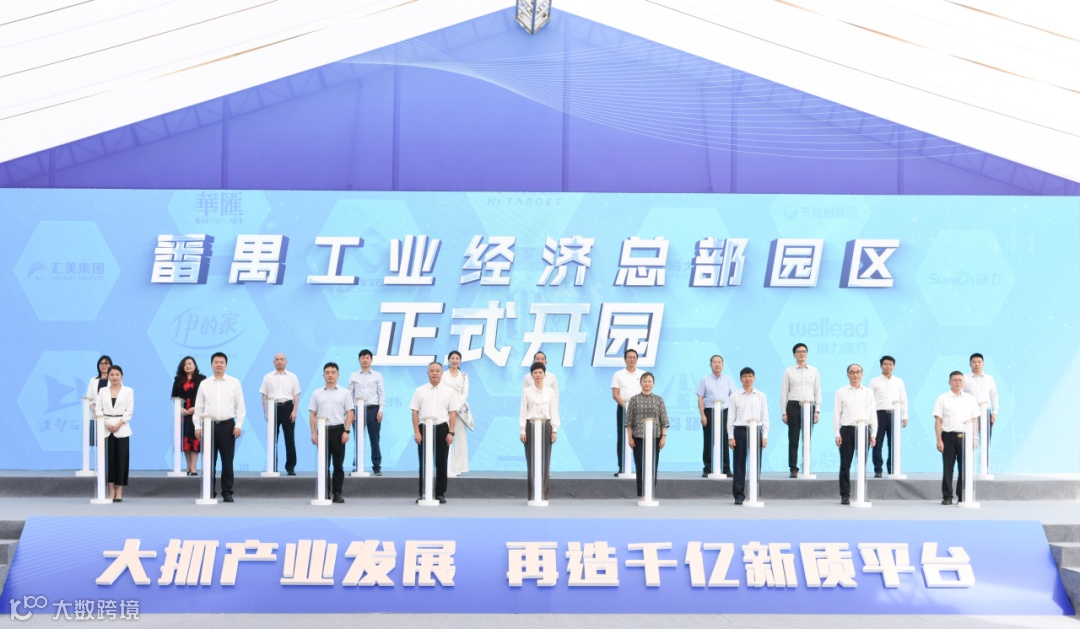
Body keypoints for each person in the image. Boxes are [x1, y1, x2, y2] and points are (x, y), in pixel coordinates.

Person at [194, 352, 245, 503]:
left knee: (227, 461)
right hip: (208, 426)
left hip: (228, 426)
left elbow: (240, 406)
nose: (219, 364)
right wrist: (197, 426)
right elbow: (199, 407)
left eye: (221, 362)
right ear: (211, 365)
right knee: (209, 461)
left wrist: (238, 424)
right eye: (216, 362)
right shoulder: (204, 384)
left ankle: (227, 492)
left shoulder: (234, 382)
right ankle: (209, 491)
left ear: (226, 365)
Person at [409, 362, 458, 504]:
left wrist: (451, 432)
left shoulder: (449, 392)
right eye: (432, 371)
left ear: (442, 373)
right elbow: (415, 412)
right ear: (427, 373)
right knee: (424, 463)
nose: (434, 373)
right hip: (424, 428)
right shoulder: (419, 390)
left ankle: (440, 493)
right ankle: (424, 493)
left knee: (441, 462)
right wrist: (417, 432)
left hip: (442, 428)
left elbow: (452, 413)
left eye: (437, 371)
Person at [308, 362, 353, 504]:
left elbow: (349, 413)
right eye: (327, 373)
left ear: (338, 375)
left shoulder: (345, 393)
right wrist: (313, 433)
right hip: (323, 431)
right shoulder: (317, 393)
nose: (330, 375)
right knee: (323, 464)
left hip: (339, 430)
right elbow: (312, 414)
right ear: (323, 375)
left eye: (333, 372)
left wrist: (346, 431)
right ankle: (324, 493)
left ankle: (337, 493)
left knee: (338, 465)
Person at [833, 364, 877, 505]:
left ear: (862, 374)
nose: (855, 375)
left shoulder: (868, 392)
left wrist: (873, 434)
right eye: (852, 372)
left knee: (862, 464)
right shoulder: (841, 392)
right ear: (848, 374)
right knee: (845, 464)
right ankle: (845, 495)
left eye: (858, 372)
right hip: (847, 430)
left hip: (864, 430)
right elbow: (836, 414)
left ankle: (861, 494)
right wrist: (837, 433)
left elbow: (873, 413)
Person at [935, 371, 980, 505]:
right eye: (954, 380)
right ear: (949, 382)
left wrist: (975, 438)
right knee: (948, 467)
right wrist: (939, 440)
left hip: (965, 437)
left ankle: (962, 495)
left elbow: (974, 420)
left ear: (963, 382)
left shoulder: (970, 399)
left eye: (960, 380)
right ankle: (947, 496)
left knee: (964, 468)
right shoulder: (942, 398)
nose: (958, 382)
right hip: (948, 436)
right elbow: (938, 421)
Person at [625, 372, 669, 500]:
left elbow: (663, 420)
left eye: (649, 381)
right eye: (644, 381)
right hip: (638, 437)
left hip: (655, 437)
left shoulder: (659, 400)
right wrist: (630, 438)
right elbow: (629, 421)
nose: (647, 384)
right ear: (640, 383)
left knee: (652, 466)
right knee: (640, 466)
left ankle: (651, 492)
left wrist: (663, 436)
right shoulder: (634, 400)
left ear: (653, 384)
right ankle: (642, 494)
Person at [728, 367, 769, 505]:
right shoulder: (734, 396)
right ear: (741, 379)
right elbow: (730, 418)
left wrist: (764, 435)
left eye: (750, 376)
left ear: (754, 378)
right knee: (739, 464)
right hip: (740, 431)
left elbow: (765, 416)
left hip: (756, 431)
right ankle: (739, 495)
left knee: (756, 464)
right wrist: (731, 437)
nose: (748, 379)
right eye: (745, 376)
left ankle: (755, 493)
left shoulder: (761, 396)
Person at [520, 361, 559, 501]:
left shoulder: (550, 392)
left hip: (546, 425)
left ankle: (544, 494)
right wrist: (522, 430)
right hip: (530, 425)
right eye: (535, 372)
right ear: (531, 375)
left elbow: (554, 411)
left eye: (540, 372)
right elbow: (523, 411)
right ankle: (532, 495)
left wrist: (554, 429)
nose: (538, 375)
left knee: (545, 460)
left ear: (544, 374)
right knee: (531, 461)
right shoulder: (526, 391)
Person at [781, 342, 821, 478]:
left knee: (807, 439)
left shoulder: (814, 371)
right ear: (794, 355)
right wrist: (784, 412)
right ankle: (793, 468)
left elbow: (817, 391)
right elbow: (784, 392)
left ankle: (806, 466)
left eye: (804, 351)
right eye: (798, 351)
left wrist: (817, 410)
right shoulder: (789, 371)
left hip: (809, 406)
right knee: (793, 439)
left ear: (807, 354)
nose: (801, 354)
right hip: (793, 406)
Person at [259, 353, 301, 476]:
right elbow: (264, 396)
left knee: (289, 438)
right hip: (273, 408)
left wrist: (294, 411)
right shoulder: (268, 377)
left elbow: (296, 395)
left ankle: (290, 467)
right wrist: (266, 412)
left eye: (282, 359)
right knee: (272, 439)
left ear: (286, 361)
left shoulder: (292, 377)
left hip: (288, 407)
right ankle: (273, 466)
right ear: (273, 362)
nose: (279, 361)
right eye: (277, 359)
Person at [96, 365, 132, 502]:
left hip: (122, 428)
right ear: (108, 376)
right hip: (106, 428)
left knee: (122, 460)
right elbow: (98, 409)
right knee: (109, 461)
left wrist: (118, 424)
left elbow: (129, 411)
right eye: (112, 375)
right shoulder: (102, 391)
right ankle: (111, 490)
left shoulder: (128, 391)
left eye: (117, 374)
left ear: (121, 376)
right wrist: (105, 423)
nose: (114, 377)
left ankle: (119, 490)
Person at [696, 355, 735, 477]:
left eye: (719, 362)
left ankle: (726, 468)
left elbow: (733, 397)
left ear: (723, 365)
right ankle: (707, 468)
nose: (717, 364)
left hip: (724, 412)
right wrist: (703, 415)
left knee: (725, 440)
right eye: (714, 362)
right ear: (710, 365)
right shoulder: (705, 379)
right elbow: (700, 397)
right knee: (708, 441)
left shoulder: (728, 379)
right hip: (709, 411)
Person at [869, 355, 908, 478]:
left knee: (894, 443)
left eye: (890, 364)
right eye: (885, 364)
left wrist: (904, 416)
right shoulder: (874, 381)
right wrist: (870, 417)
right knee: (877, 443)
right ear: (881, 366)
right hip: (879, 415)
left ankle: (892, 469)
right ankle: (878, 469)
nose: (888, 366)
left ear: (894, 366)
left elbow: (903, 399)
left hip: (894, 415)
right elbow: (870, 401)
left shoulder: (899, 381)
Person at [348, 349, 385, 476]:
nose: (365, 360)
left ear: (371, 360)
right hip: (357, 410)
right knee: (358, 440)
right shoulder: (353, 375)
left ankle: (376, 467)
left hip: (373, 409)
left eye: (367, 357)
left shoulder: (377, 375)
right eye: (363, 358)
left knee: (374, 439)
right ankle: (357, 466)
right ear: (359, 360)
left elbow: (381, 394)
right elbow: (349, 394)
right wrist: (350, 411)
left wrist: (381, 410)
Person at [171, 356, 206, 476]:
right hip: (183, 415)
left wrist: (196, 408)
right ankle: (188, 466)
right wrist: (180, 409)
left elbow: (206, 397)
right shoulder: (178, 380)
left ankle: (194, 467)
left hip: (197, 414)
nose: (188, 366)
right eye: (185, 364)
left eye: (190, 363)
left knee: (195, 439)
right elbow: (174, 397)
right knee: (185, 440)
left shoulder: (202, 379)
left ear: (195, 366)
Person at [611, 348, 643, 476]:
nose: (632, 360)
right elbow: (615, 394)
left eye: (634, 357)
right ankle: (622, 467)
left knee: (639, 437)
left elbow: (646, 391)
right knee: (622, 437)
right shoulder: (618, 375)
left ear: (637, 359)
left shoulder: (642, 374)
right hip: (623, 408)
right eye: (629, 357)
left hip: (639, 410)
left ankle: (640, 468)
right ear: (624, 359)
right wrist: (626, 407)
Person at [964, 353, 999, 467]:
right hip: (970, 414)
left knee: (986, 440)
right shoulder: (964, 378)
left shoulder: (989, 378)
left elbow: (994, 395)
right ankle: (969, 466)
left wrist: (995, 412)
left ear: (983, 364)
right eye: (974, 362)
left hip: (986, 412)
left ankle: (984, 466)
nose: (977, 364)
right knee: (970, 439)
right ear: (970, 364)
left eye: (979, 362)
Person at [443, 350, 472, 474]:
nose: (455, 360)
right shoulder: (443, 375)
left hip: (460, 410)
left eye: (457, 358)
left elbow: (465, 393)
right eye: (452, 358)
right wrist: (449, 407)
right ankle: (446, 467)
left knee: (460, 438)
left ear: (460, 361)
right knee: (446, 438)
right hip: (445, 409)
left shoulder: (464, 375)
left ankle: (459, 468)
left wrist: (456, 407)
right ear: (449, 360)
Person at [86, 355, 112, 447]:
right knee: (98, 445)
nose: (104, 365)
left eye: (106, 363)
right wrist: (94, 409)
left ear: (110, 365)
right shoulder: (93, 380)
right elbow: (89, 398)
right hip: (96, 416)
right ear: (98, 365)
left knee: (109, 445)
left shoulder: (114, 379)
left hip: (110, 417)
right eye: (101, 363)